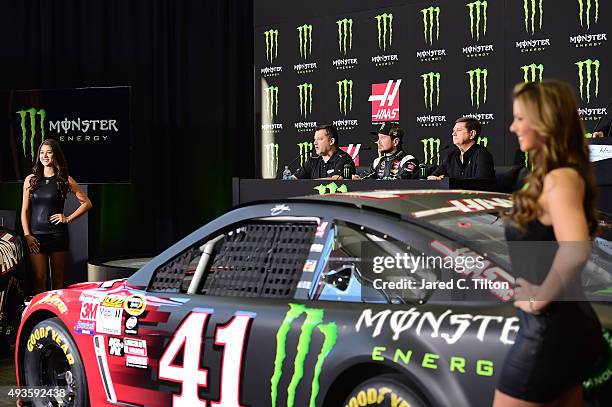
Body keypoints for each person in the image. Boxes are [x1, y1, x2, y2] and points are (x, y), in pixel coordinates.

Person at [494, 80, 608, 406]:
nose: (512, 126)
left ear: (546, 120)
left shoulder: (561, 177)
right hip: (562, 327)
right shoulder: (552, 175)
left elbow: (575, 248)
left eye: (520, 118)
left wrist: (540, 300)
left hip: (550, 330)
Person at [21, 139, 92, 294]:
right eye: (41, 152)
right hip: (35, 237)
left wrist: (67, 218)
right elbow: (24, 210)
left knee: (58, 278)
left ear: (55, 155)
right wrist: (27, 235)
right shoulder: (30, 180)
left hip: (57, 235)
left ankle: (55, 315)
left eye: (49, 152)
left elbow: (87, 203)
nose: (44, 156)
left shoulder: (64, 179)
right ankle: (39, 315)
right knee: (39, 278)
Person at [427, 117, 495, 180]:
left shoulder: (482, 155)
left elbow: (481, 184)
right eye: (453, 131)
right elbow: (434, 177)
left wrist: (449, 181)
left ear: (472, 134)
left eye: (458, 130)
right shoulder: (451, 156)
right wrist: (435, 179)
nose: (453, 134)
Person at [353, 123, 419, 180]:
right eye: (378, 138)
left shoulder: (408, 160)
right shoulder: (378, 161)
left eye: (383, 137)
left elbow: (400, 183)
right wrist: (357, 179)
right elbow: (364, 178)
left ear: (395, 142)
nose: (378, 142)